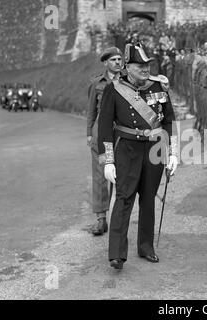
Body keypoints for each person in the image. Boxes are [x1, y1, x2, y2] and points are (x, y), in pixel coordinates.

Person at [98, 42, 178, 269]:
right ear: (127, 67)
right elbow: (105, 126)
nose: (145, 69)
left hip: (154, 148)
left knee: (148, 198)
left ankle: (146, 247)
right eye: (140, 65)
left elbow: (169, 120)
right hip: (127, 149)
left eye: (148, 65)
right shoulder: (114, 89)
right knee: (124, 198)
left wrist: (172, 153)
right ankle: (117, 253)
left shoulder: (158, 87)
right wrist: (109, 160)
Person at [87, 47, 123, 236]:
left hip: (122, 133)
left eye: (119, 59)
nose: (118, 62)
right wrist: (89, 134)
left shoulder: (128, 81)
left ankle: (119, 217)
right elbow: (91, 110)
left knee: (122, 175)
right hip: (101, 133)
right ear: (105, 63)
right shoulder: (97, 84)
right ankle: (101, 219)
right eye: (113, 60)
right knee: (100, 177)